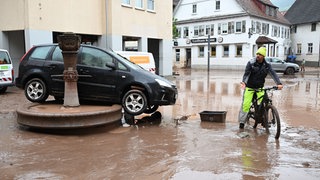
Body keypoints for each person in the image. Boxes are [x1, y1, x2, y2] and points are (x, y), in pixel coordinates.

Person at [238, 47, 283, 129]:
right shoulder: (251, 63)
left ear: (263, 56)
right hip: (249, 87)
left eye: (260, 54)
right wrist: (244, 82)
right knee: (246, 105)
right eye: (257, 54)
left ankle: (264, 120)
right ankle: (242, 122)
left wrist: (279, 83)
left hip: (260, 87)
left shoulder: (267, 65)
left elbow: (273, 74)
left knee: (264, 102)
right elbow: (246, 74)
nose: (258, 55)